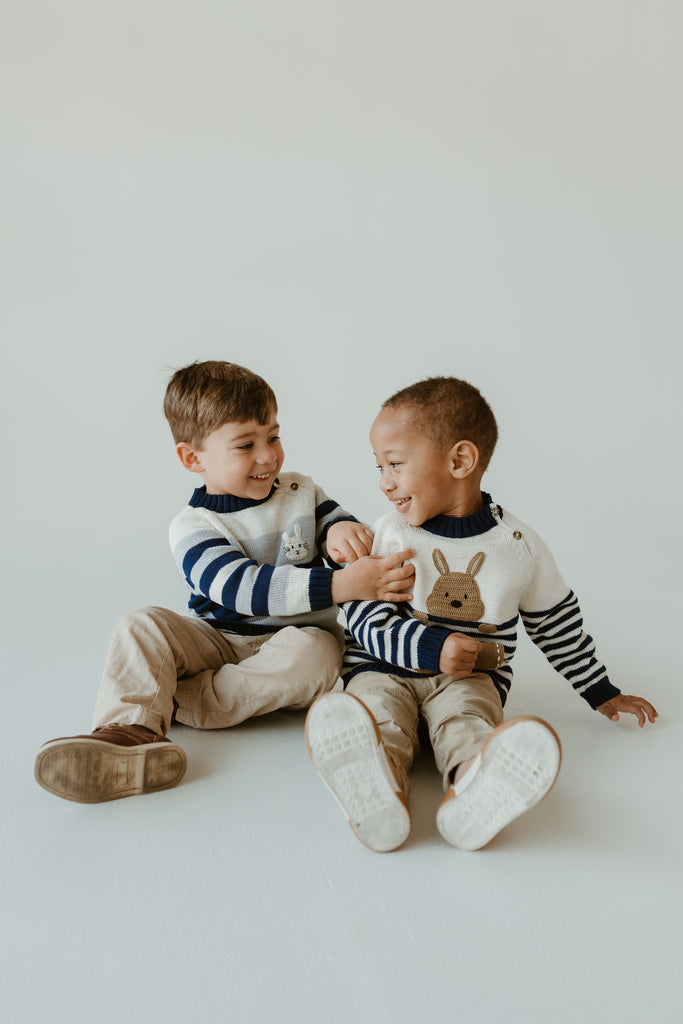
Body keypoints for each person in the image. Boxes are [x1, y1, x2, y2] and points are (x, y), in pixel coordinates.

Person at [34, 360, 415, 803]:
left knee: (319, 652)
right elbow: (243, 590)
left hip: (291, 643)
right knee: (140, 624)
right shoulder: (193, 526)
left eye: (273, 437)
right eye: (245, 445)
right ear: (193, 458)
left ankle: (183, 700)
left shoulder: (301, 491)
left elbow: (336, 523)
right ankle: (129, 731)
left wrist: (341, 532)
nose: (268, 455)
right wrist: (341, 586)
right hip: (217, 638)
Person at [305, 377, 658, 853]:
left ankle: (473, 787)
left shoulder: (518, 547)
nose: (384, 482)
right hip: (382, 668)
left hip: (470, 678)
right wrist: (432, 648)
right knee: (378, 713)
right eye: (379, 467)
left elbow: (556, 626)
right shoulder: (389, 533)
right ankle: (377, 789)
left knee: (468, 721)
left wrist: (601, 690)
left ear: (459, 461)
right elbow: (363, 619)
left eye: (395, 464)